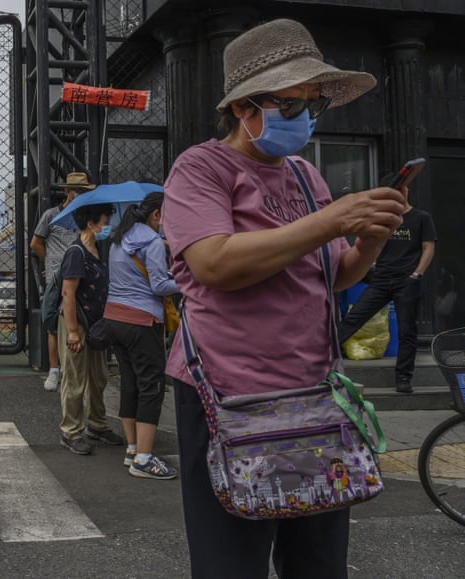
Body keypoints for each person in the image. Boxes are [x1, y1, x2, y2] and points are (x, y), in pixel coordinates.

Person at [161, 19, 404, 578]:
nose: (303, 119)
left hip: (312, 389)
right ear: (244, 108)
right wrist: (330, 221)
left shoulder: (305, 176)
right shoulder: (202, 168)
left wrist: (367, 239)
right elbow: (213, 263)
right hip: (227, 391)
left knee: (319, 560)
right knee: (232, 560)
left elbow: (335, 275)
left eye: (312, 106)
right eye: (289, 106)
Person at [103, 193, 178, 479]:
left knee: (130, 383)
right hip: (141, 321)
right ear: (156, 215)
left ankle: (133, 449)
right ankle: (145, 460)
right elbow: (159, 286)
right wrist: (187, 279)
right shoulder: (152, 242)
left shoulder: (120, 239)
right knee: (152, 386)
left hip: (114, 319)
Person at [337, 183, 436, 393]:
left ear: (407, 191)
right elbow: (365, 243)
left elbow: (428, 247)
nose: (400, 193)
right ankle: (320, 364)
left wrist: (417, 274)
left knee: (407, 330)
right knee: (353, 319)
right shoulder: (382, 218)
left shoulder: (420, 217)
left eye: (403, 188)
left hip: (406, 281)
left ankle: (403, 378)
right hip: (381, 279)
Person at [57, 202, 124, 455]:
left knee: (98, 377)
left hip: (96, 324)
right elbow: (68, 293)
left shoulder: (98, 249)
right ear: (91, 223)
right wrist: (73, 332)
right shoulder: (76, 252)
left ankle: (97, 424)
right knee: (75, 379)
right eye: (105, 222)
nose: (108, 226)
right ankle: (71, 431)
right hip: (78, 323)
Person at [31, 172, 95, 392]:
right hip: (57, 276)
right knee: (52, 324)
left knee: (81, 320)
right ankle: (54, 369)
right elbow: (36, 243)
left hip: (81, 274)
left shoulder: (86, 219)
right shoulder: (51, 215)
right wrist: (49, 262)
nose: (80, 195)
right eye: (78, 190)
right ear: (67, 191)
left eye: (84, 191)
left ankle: (75, 368)